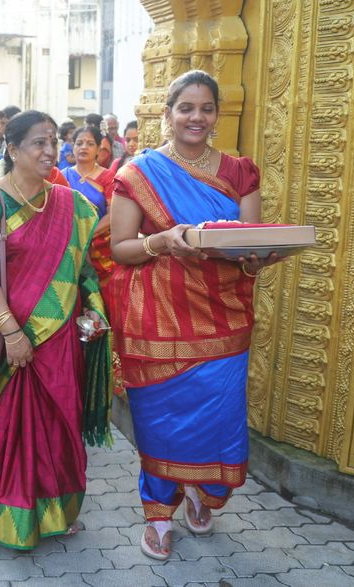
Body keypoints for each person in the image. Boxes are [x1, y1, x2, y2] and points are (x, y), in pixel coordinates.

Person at [110, 70, 276, 561]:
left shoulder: (240, 172)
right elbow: (121, 249)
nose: (196, 118)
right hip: (158, 318)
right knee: (161, 422)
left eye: (206, 109)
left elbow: (249, 242)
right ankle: (158, 512)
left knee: (217, 419)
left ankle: (203, 493)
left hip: (224, 318)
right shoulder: (138, 174)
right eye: (186, 108)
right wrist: (159, 241)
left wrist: (257, 256)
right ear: (168, 113)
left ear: (217, 115)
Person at [0, 109, 113, 549]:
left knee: (60, 425)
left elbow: (84, 267)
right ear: (11, 149)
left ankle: (56, 514)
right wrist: (12, 333)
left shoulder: (69, 203)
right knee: (13, 429)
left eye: (54, 142)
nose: (50, 151)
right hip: (15, 343)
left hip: (61, 338)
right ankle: (9, 519)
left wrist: (97, 311)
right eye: (38, 143)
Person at [64, 126, 115, 286]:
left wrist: (86, 235)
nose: (84, 147)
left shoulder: (108, 177)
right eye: (79, 143)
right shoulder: (63, 176)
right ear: (73, 147)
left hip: (100, 246)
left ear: (99, 149)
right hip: (69, 245)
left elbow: (112, 215)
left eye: (90, 144)